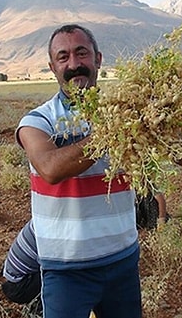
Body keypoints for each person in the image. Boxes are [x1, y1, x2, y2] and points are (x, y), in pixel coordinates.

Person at [15, 24, 141, 318]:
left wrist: (169, 123)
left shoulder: (129, 112)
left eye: (81, 53)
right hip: (66, 269)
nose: (74, 64)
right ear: (52, 67)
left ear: (98, 58)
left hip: (122, 260)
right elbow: (49, 168)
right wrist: (116, 130)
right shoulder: (37, 121)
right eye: (63, 57)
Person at [0, 221, 42, 314]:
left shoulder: (43, 216)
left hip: (10, 276)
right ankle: (41, 308)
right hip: (18, 286)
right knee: (61, 273)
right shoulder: (55, 227)